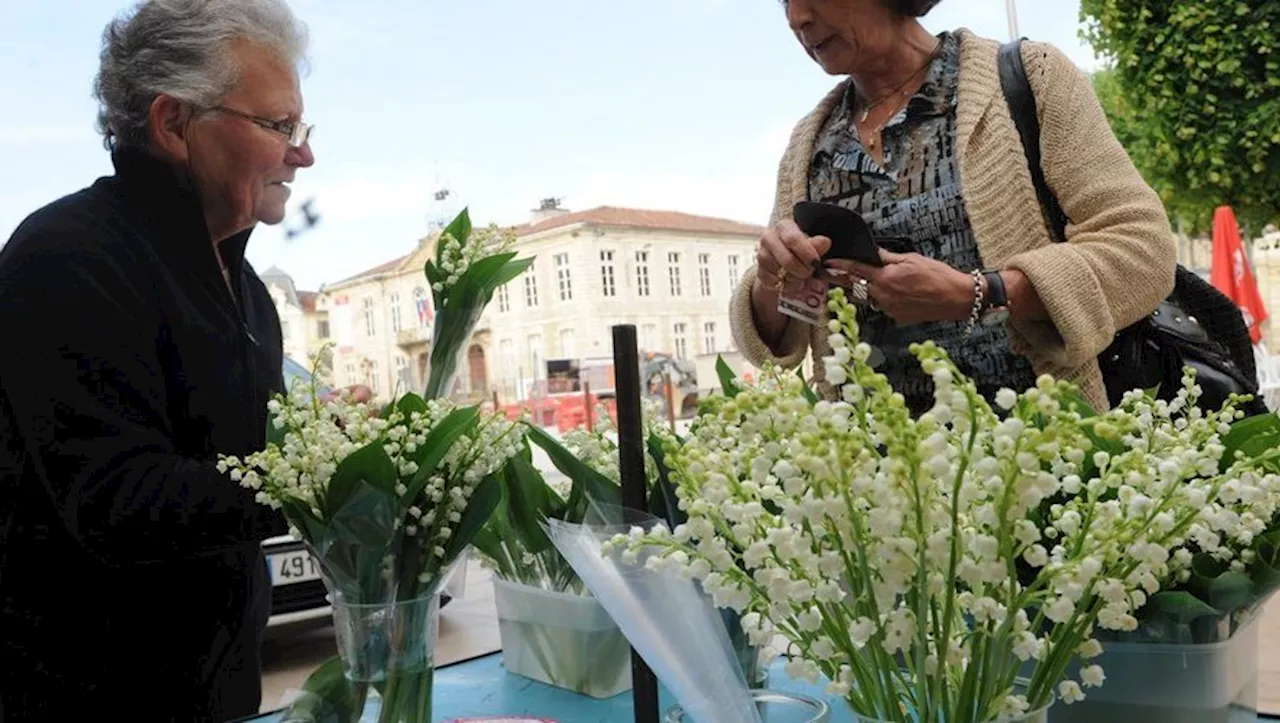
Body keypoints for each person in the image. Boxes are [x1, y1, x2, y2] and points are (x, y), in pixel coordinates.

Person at [0, 1, 361, 720]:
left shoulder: (249, 292)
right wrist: (324, 479)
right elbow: (119, 500)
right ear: (173, 124)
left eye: (302, 127)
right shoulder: (66, 258)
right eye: (278, 125)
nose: (304, 153)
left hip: (225, 689)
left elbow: (239, 465)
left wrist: (336, 447)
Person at [731, 0, 1177, 415]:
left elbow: (1142, 248)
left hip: (1039, 462)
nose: (796, 18)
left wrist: (981, 294)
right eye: (784, 0)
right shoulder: (808, 146)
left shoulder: (1029, 78)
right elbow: (776, 336)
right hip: (874, 480)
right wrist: (772, 279)